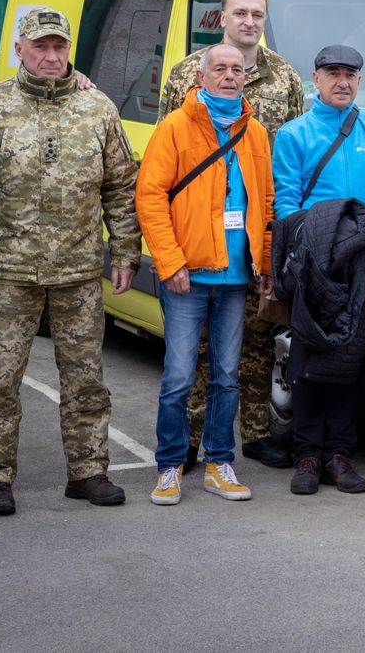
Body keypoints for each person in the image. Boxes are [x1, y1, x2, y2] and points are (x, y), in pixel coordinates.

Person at [0, 8, 141, 516]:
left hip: (79, 271)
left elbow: (120, 186)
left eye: (59, 47)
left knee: (86, 378)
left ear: (70, 51)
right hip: (8, 272)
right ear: (20, 49)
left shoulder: (98, 108)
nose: (50, 56)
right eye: (40, 46)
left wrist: (126, 250)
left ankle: (89, 472)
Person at [159, 0, 306, 470]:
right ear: (220, 18)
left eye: (257, 15)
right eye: (240, 13)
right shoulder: (187, 72)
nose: (249, 22)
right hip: (199, 235)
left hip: (255, 235)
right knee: (198, 352)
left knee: (256, 340)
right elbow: (168, 151)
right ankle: (189, 441)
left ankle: (256, 435)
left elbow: (292, 153)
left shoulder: (284, 76)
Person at [137, 44, 275, 506]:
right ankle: (169, 466)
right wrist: (170, 261)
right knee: (178, 376)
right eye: (221, 68)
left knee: (227, 375)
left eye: (238, 69)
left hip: (237, 279)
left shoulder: (254, 132)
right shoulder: (175, 127)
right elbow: (150, 196)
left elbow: (267, 203)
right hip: (187, 276)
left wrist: (266, 264)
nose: (230, 76)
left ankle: (219, 462)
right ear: (202, 75)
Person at [271, 44, 365, 497]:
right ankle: (307, 456)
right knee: (309, 358)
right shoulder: (293, 134)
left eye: (350, 74)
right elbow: (286, 203)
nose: (342, 81)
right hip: (317, 262)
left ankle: (340, 456)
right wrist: (321, 238)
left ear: (359, 81)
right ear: (316, 79)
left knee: (351, 356)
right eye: (333, 73)